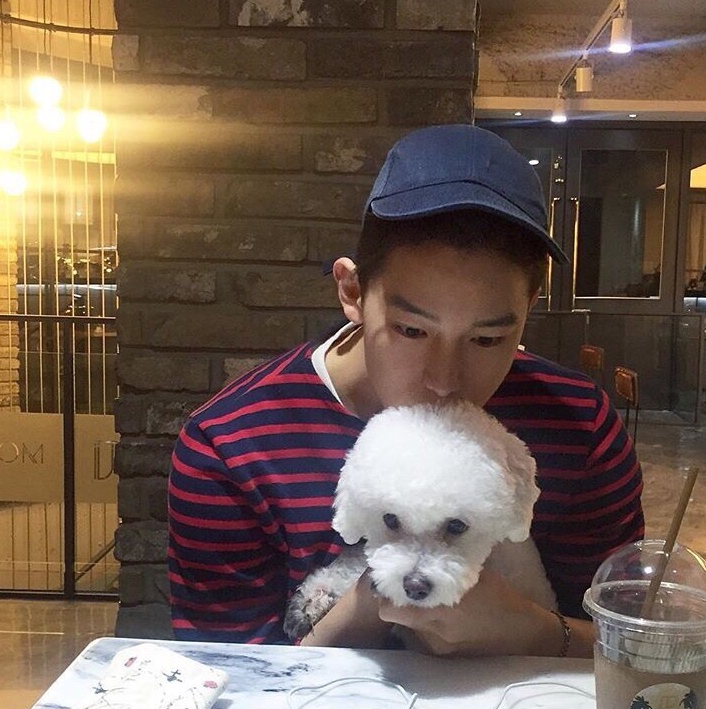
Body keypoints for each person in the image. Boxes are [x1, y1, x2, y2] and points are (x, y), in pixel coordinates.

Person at [168, 124, 644, 657]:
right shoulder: (230, 445)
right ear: (353, 291)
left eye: (487, 338)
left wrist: (531, 631)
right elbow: (224, 676)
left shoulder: (579, 425)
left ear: (529, 308)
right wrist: (373, 603)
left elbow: (639, 648)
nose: (444, 379)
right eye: (412, 330)